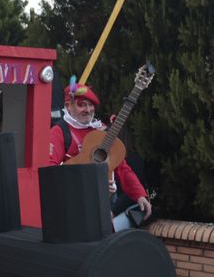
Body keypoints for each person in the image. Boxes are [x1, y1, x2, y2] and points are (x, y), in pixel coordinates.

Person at [49, 81, 152, 228]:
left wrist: (140, 195)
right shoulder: (59, 132)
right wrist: (92, 183)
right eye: (82, 104)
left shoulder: (99, 132)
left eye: (91, 105)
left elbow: (121, 167)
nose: (88, 109)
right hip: (71, 209)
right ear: (67, 106)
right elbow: (50, 172)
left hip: (101, 209)